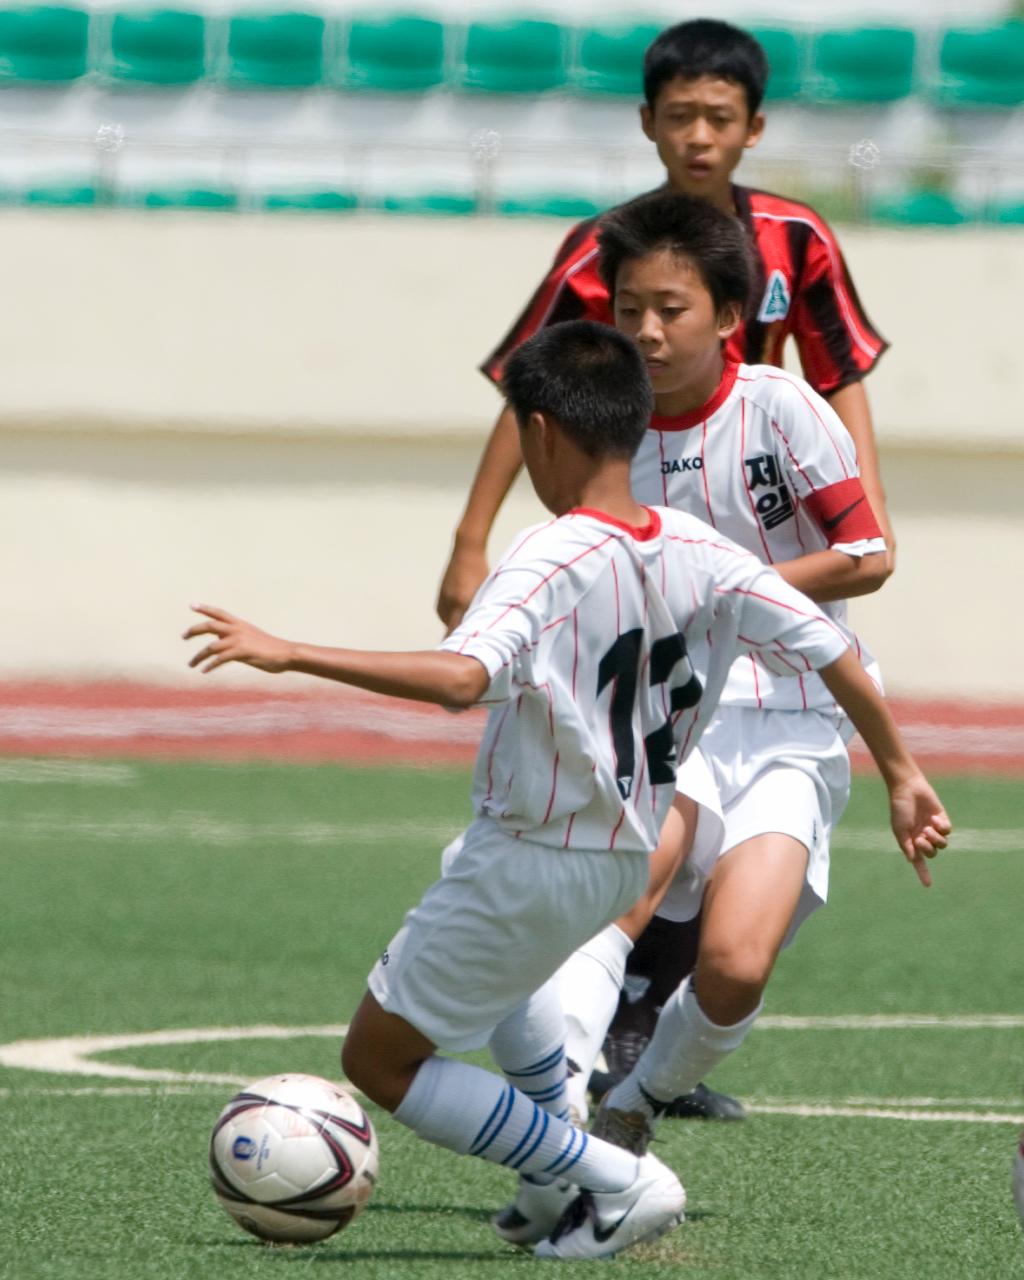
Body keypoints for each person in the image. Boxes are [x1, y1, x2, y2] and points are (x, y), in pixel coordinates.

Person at [183, 321, 948, 1261]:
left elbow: (464, 678)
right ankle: (553, 1181)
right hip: (621, 858)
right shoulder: (702, 550)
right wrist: (902, 772)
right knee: (513, 1001)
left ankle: (616, 1178)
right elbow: (834, 649)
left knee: (376, 1060)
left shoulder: (549, 553)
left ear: (541, 431)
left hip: (532, 853)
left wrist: (292, 651)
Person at [436, 17, 896, 1121]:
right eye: (678, 115)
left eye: (717, 117)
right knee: (635, 848)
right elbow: (535, 388)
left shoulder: (794, 245)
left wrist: (855, 510)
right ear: (646, 123)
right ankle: (576, 1077)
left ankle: (629, 1062)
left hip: (766, 541)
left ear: (752, 129)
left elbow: (836, 380)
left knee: (720, 906)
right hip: (668, 575)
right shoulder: (607, 249)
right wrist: (471, 537)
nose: (697, 135)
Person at [528, 192, 929, 1254]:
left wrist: (724, 585)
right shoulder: (599, 428)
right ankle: (557, 1119)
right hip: (677, 716)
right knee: (631, 882)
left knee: (736, 967)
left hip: (796, 715)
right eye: (629, 308)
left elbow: (870, 554)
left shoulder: (781, 407)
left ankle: (639, 1097)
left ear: (727, 312)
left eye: (671, 307)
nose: (647, 331)